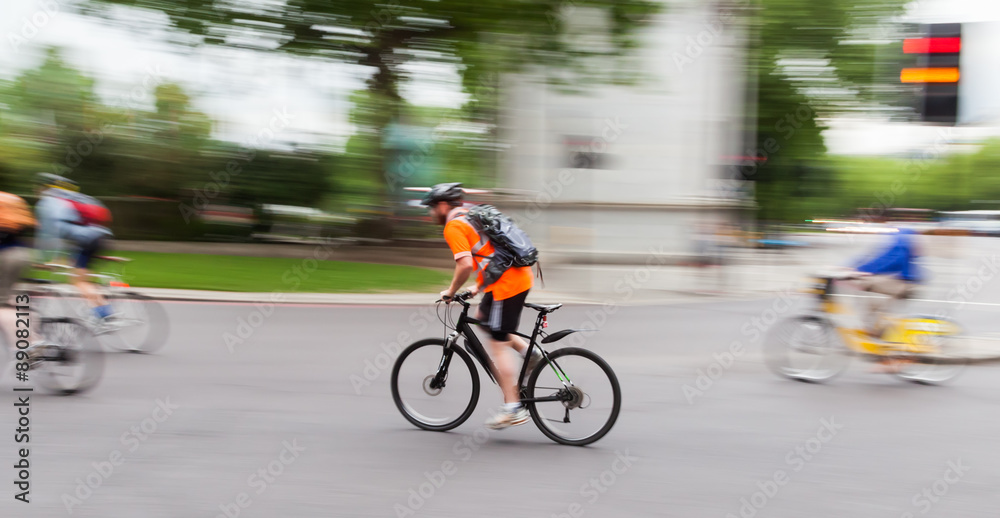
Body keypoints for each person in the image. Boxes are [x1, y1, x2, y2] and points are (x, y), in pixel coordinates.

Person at [423, 182, 542, 430]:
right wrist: (477, 287)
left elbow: (465, 264)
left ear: (443, 205)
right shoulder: (470, 215)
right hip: (514, 276)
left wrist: (451, 291)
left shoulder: (453, 226)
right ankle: (529, 354)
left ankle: (513, 408)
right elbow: (490, 251)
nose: (430, 213)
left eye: (432, 208)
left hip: (507, 283)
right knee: (483, 318)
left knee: (497, 343)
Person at [33, 173, 116, 326]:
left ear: (44, 187)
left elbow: (51, 233)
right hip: (101, 236)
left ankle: (104, 313)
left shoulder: (49, 202)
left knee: (78, 280)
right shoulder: (77, 197)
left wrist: (47, 258)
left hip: (85, 239)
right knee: (83, 278)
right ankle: (101, 311)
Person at [0, 191, 37, 348]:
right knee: (8, 296)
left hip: (6, 256)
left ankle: (33, 342)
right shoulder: (11, 200)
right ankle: (33, 335)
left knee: (1, 304)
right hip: (22, 253)